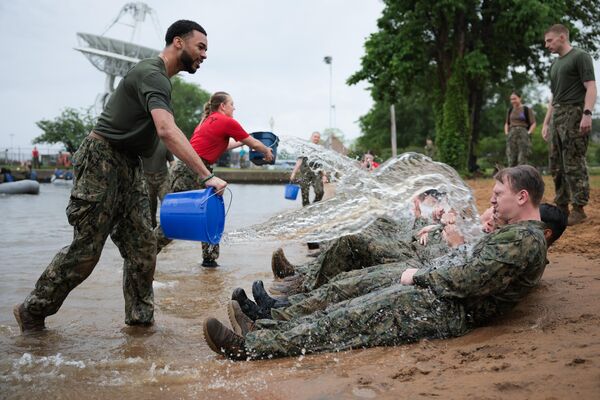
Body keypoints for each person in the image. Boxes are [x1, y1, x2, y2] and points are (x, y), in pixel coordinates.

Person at [203, 165, 550, 360]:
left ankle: (253, 347)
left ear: (522, 197)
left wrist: (420, 276)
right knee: (353, 288)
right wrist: (423, 271)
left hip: (453, 307)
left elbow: (470, 280)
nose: (491, 200)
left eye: (498, 195)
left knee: (351, 317)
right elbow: (466, 264)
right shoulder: (515, 234)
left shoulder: (524, 240)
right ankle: (269, 319)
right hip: (442, 289)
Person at [13, 20, 228, 333]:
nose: (205, 55)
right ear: (178, 42)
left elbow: (159, 133)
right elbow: (167, 130)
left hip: (130, 167)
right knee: (86, 252)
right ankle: (33, 310)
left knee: (142, 248)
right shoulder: (152, 73)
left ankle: (140, 326)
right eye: (201, 47)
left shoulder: (162, 81)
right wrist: (207, 176)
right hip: (101, 160)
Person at [155, 91, 273, 267]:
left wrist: (242, 142)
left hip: (192, 167)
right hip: (191, 169)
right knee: (178, 218)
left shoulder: (207, 120)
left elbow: (221, 145)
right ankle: (144, 253)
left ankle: (209, 260)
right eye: (232, 104)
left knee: (210, 211)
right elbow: (254, 143)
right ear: (223, 106)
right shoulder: (226, 121)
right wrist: (267, 151)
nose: (234, 108)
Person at [541, 24, 597, 225]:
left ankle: (579, 208)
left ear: (562, 37)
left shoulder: (580, 56)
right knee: (555, 163)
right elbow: (554, 97)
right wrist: (546, 122)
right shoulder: (554, 65)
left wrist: (587, 113)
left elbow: (591, 86)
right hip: (558, 115)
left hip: (575, 112)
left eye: (549, 40)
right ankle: (562, 205)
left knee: (573, 161)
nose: (546, 45)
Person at [141, 140, 174, 227]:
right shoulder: (142, 143)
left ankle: (167, 228)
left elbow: (172, 163)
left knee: (167, 204)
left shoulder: (164, 143)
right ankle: (153, 228)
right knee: (150, 207)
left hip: (163, 178)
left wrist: (173, 177)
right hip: (147, 178)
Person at [290, 132, 326, 207]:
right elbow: (299, 161)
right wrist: (294, 173)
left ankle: (314, 205)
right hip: (305, 172)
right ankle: (306, 208)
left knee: (320, 192)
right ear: (311, 137)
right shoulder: (304, 147)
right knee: (304, 193)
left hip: (316, 172)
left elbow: (322, 163)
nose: (316, 138)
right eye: (315, 136)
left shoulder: (320, 149)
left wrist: (324, 175)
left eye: (318, 137)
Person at [504, 91, 536, 167]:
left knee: (523, 157)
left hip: (523, 133)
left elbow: (533, 123)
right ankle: (512, 177)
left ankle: (522, 177)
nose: (512, 101)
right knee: (511, 157)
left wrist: (529, 133)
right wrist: (506, 133)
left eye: (514, 99)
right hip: (511, 134)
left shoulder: (526, 109)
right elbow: (507, 123)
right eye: (511, 99)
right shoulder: (510, 110)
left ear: (520, 98)